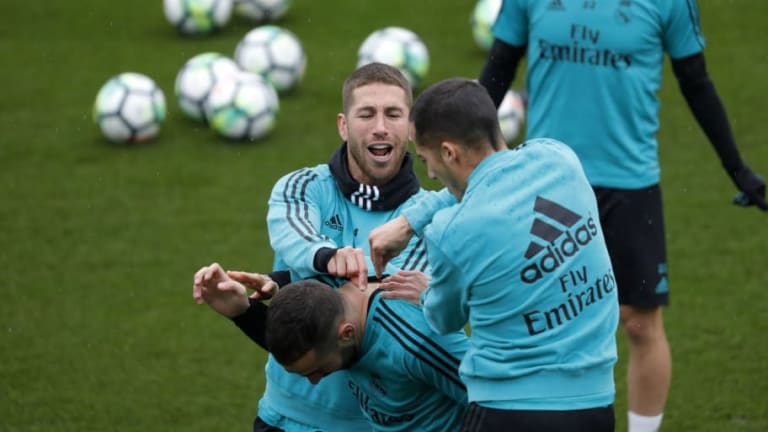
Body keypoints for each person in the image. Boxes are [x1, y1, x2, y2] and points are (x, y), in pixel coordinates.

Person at [476, 2, 766, 431]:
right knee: (541, 319)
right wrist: (464, 152)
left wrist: (737, 169)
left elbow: (696, 81)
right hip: (548, 180)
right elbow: (499, 68)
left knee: (640, 323)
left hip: (629, 184)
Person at [194, 62, 436, 432]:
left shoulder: (427, 219)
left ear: (411, 127)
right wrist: (244, 310)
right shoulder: (302, 188)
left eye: (393, 114)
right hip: (284, 420)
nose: (380, 127)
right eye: (366, 114)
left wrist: (286, 283)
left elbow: (369, 323)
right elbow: (297, 247)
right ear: (343, 125)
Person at [369, 78, 619, 431]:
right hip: (595, 406)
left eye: (426, 160)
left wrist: (426, 290)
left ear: (449, 153)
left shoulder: (453, 231)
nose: (431, 174)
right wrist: (410, 221)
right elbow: (492, 173)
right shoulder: (559, 159)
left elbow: (443, 319)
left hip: (509, 412)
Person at [194, 262, 469, 431]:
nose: (315, 382)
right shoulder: (328, 304)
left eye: (319, 370)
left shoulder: (415, 340)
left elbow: (490, 398)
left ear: (346, 334)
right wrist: (243, 312)